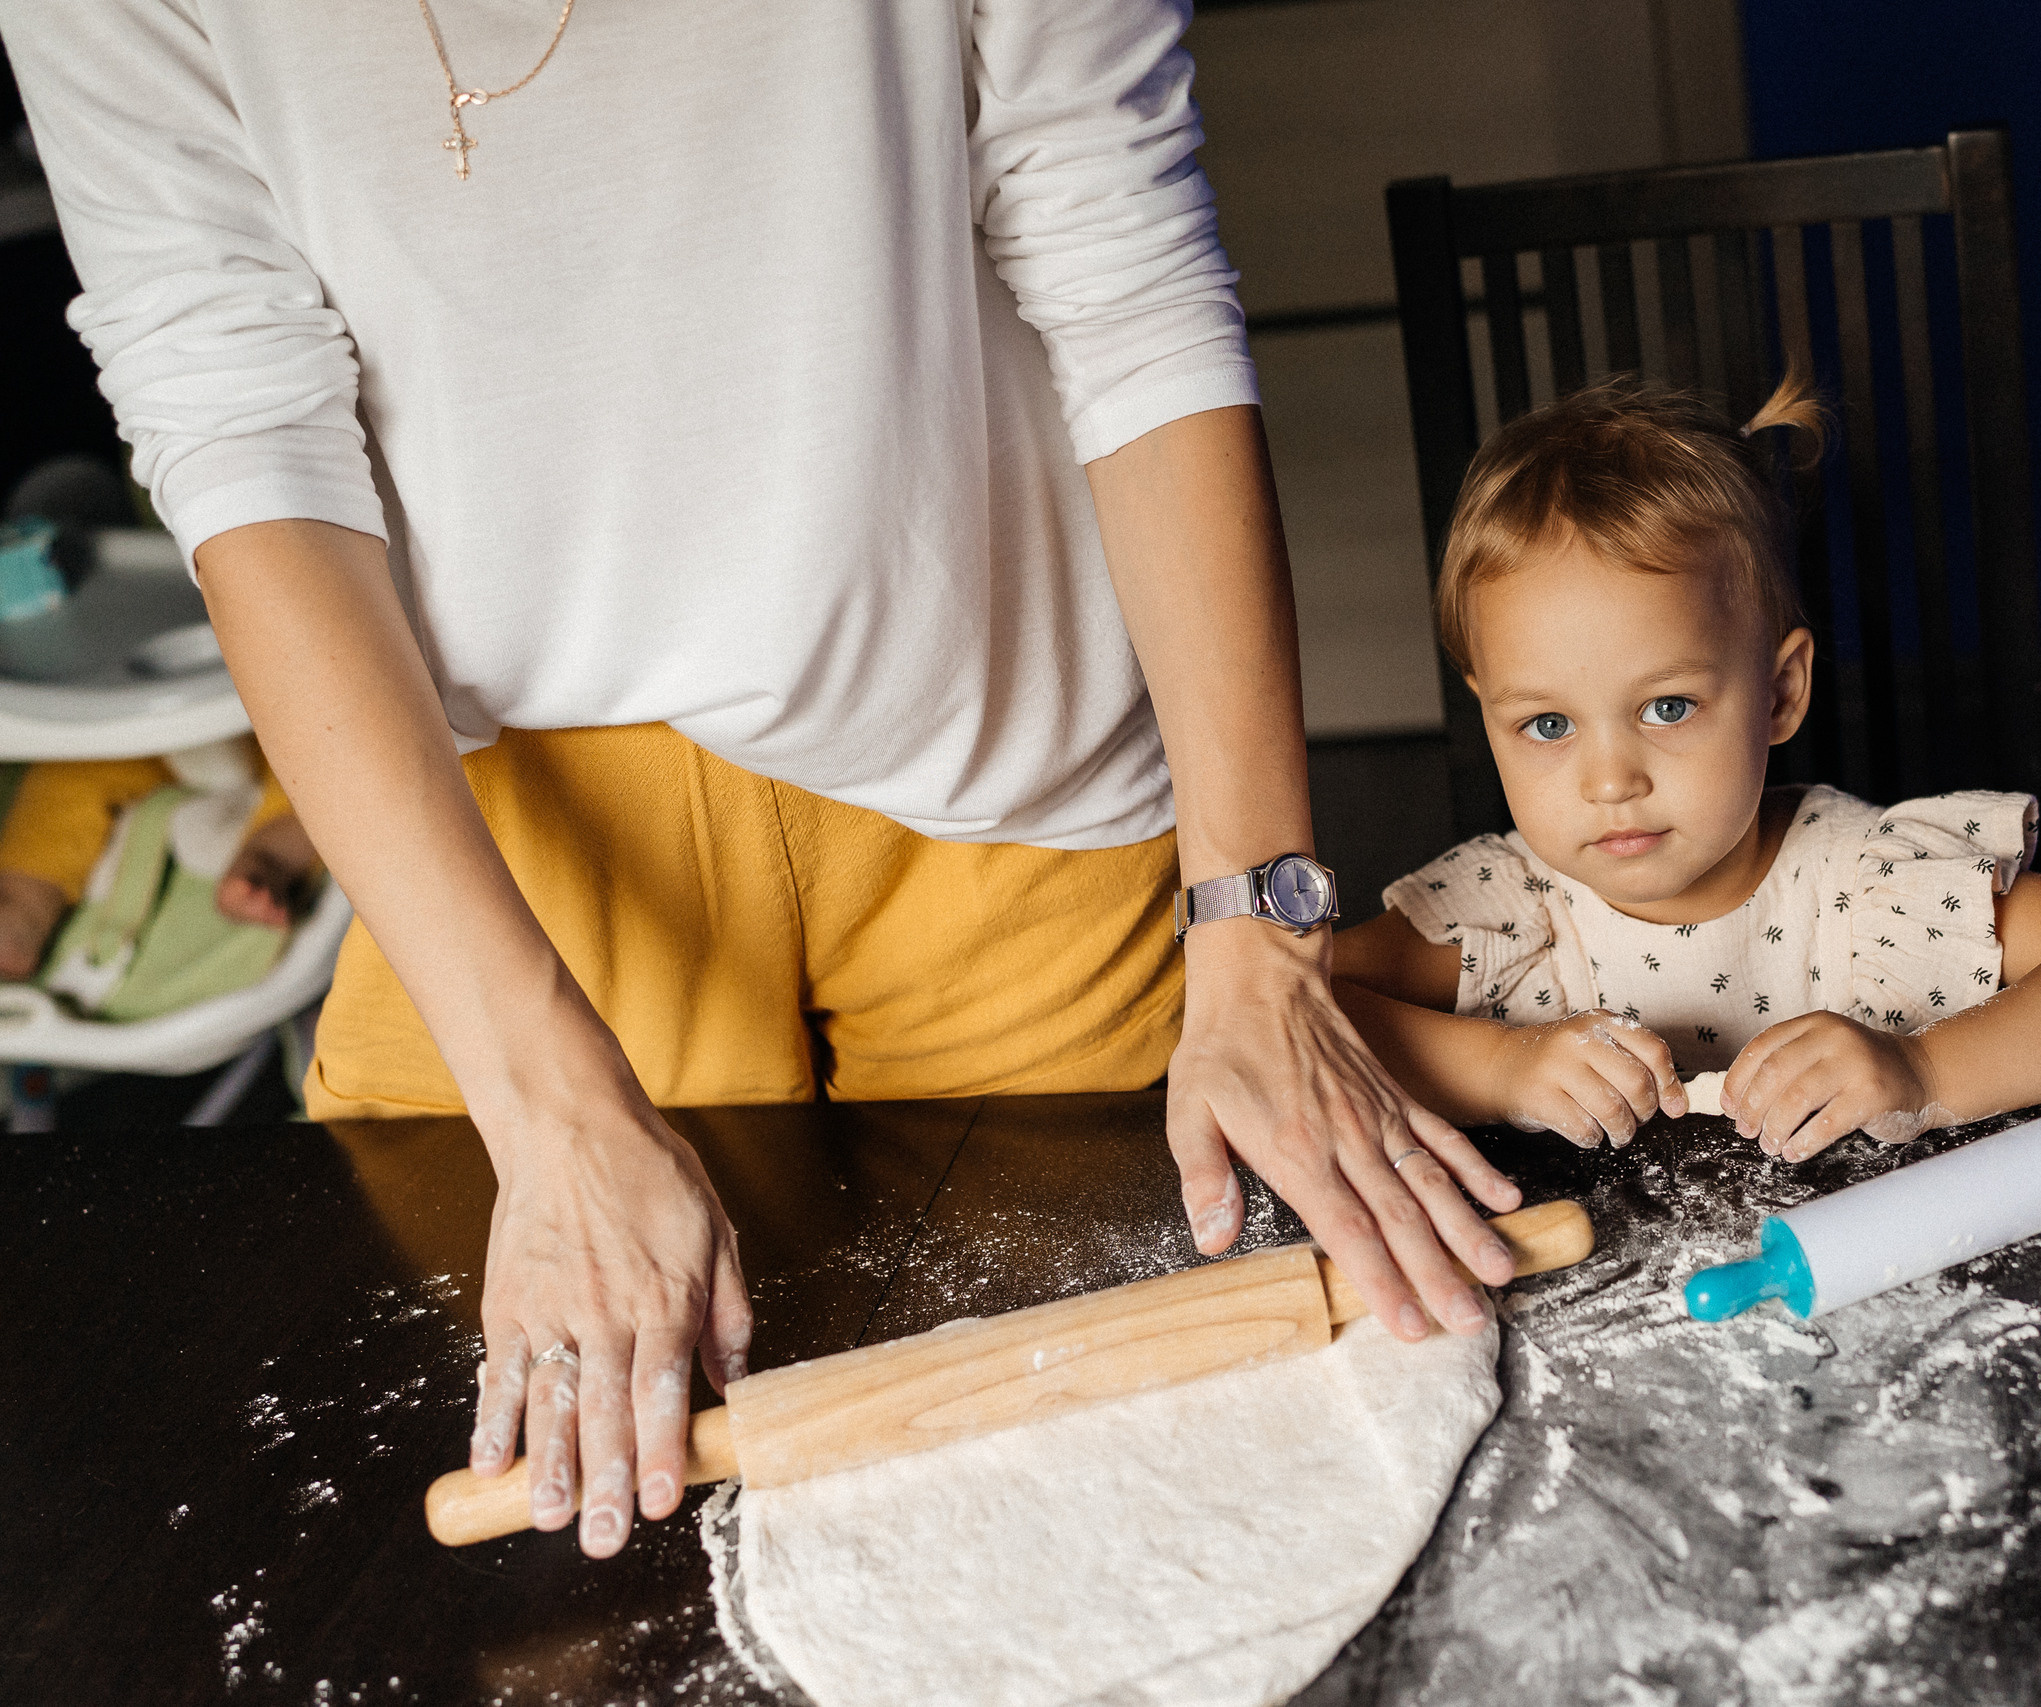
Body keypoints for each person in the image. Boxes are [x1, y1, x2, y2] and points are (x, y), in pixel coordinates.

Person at [2, 0, 1520, 1562]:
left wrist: (1259, 926)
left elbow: (1125, 262)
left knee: (1194, 1498)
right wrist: (547, 1108)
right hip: (521, 875)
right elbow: (239, 427)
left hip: (1007, 785)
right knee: (577, 1577)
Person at [1332, 378, 2041, 1159]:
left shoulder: (1870, 886)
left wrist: (1923, 1069)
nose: (1610, 779)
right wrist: (1499, 1068)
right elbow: (1296, 1009)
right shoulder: (1506, 914)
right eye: (1547, 723)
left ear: (1779, 693)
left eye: (1668, 707)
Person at [0, 742, 319, 982]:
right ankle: (22, 904)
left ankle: (268, 858)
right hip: (142, 726)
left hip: (286, 707)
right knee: (69, 771)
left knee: (318, 762)